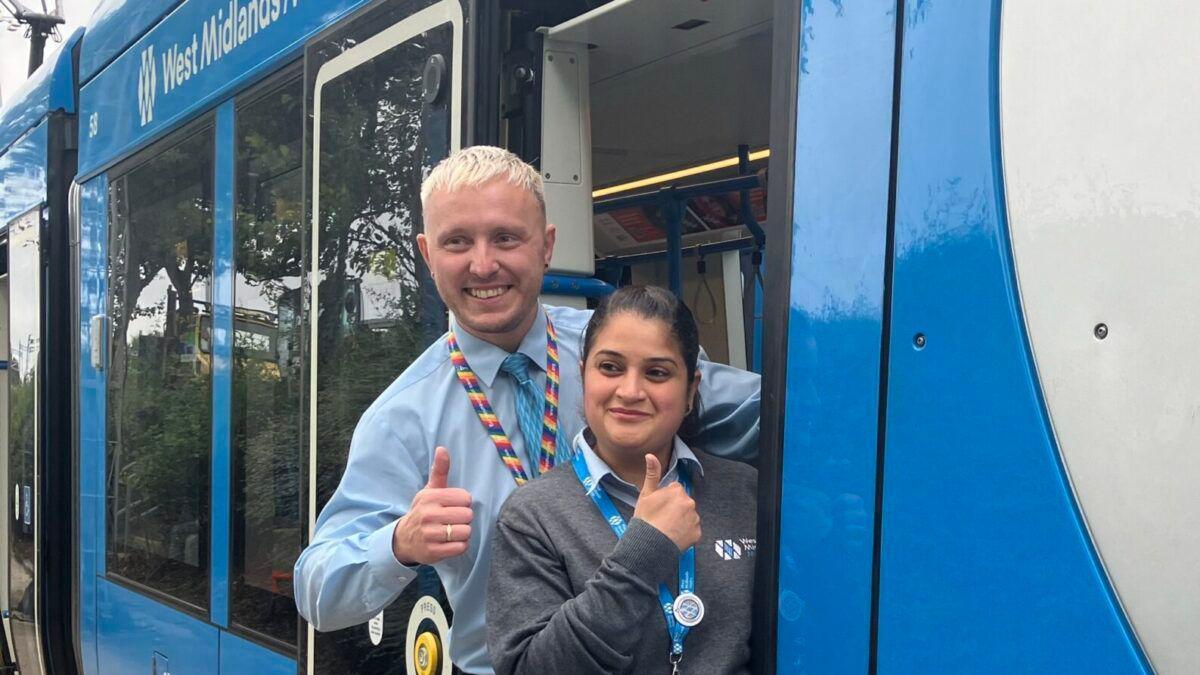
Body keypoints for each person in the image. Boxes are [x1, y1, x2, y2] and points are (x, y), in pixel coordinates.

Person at [292, 146, 760, 674]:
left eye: (506, 238)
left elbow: (782, 416)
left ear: (546, 246)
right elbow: (317, 591)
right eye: (457, 242)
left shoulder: (616, 355)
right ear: (427, 254)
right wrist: (400, 543)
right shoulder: (403, 419)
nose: (483, 264)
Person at [487, 285, 756, 675]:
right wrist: (642, 555)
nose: (630, 391)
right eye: (610, 367)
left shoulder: (745, 491)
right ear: (582, 376)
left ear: (690, 390)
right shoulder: (532, 517)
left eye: (657, 372)